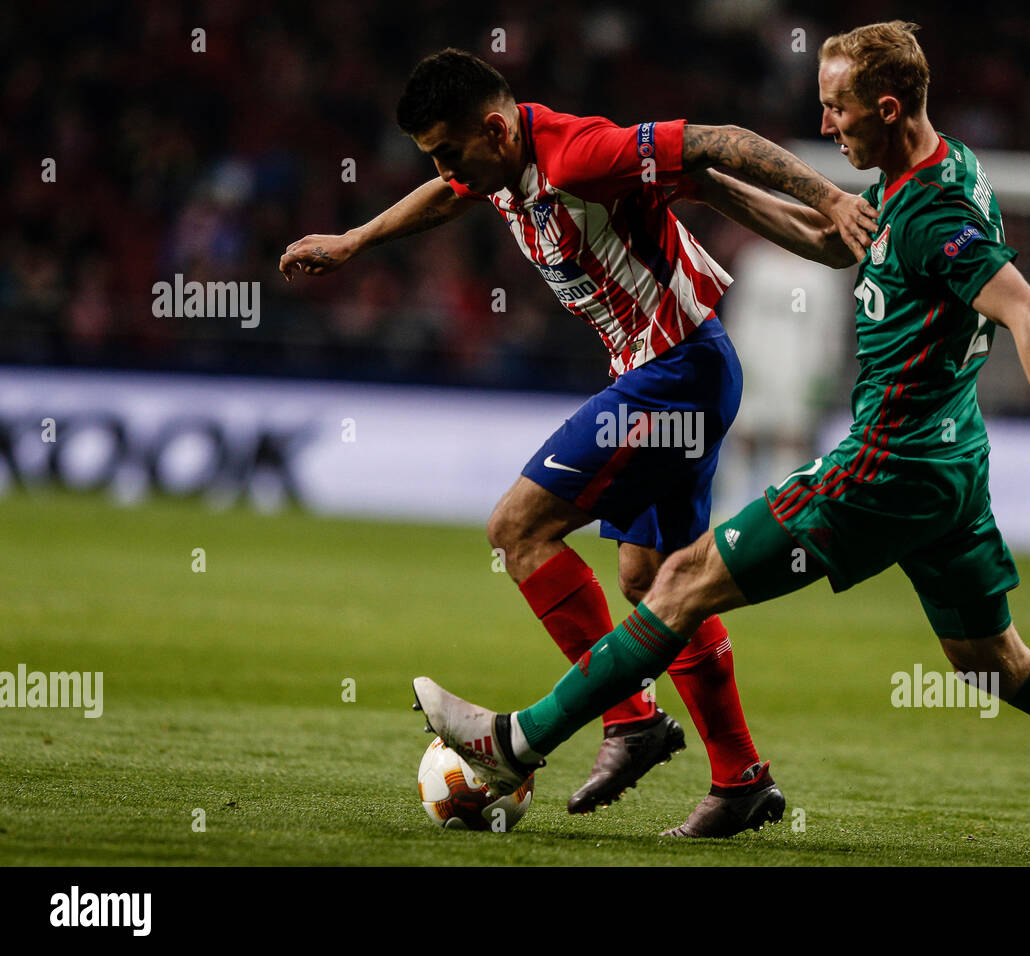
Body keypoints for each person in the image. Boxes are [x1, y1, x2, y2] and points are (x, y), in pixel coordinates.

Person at [411, 23, 1030, 867]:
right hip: (952, 466)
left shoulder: (932, 211)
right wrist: (708, 189)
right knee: (996, 661)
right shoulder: (926, 169)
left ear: (885, 107)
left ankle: (515, 744)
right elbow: (824, 240)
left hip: (886, 463)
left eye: (837, 106)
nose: (827, 121)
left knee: (678, 580)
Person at [280, 48, 877, 836]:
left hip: (677, 375)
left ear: (494, 131)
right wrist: (356, 241)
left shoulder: (578, 154)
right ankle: (740, 779)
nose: (445, 170)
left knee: (517, 529)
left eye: (450, 152)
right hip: (680, 369)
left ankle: (630, 721)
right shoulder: (495, 164)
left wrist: (831, 196)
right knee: (657, 580)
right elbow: (445, 197)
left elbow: (722, 139)